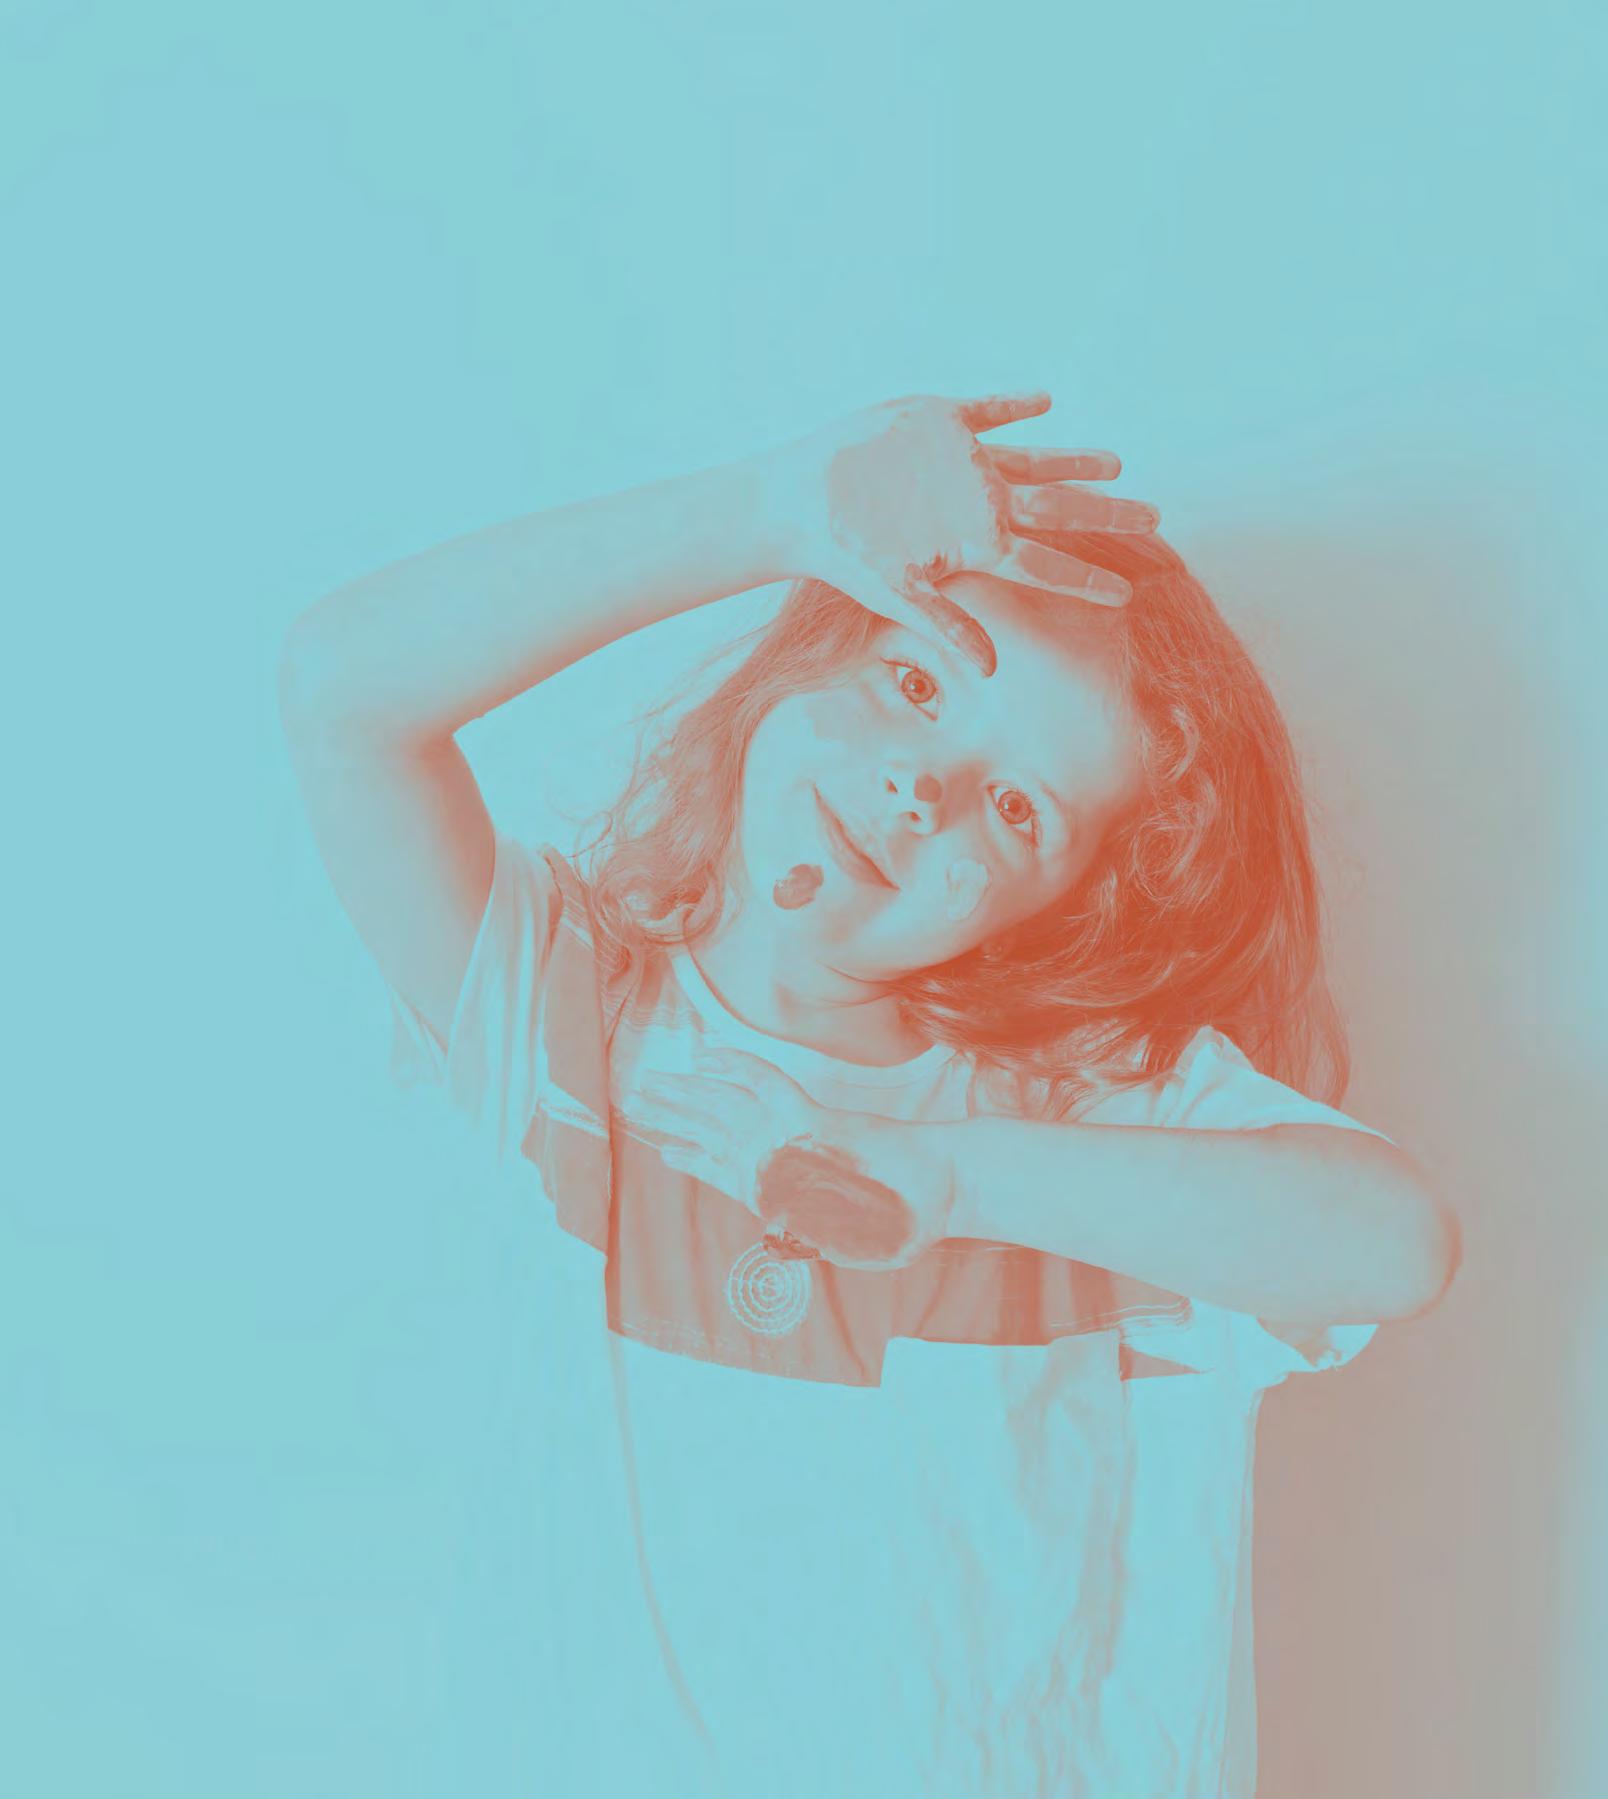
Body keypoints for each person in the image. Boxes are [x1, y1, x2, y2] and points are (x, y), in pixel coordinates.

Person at [276, 391, 1461, 1795]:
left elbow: (1396, 1245)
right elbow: (343, 693)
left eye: (1017, 809)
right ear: (812, 648)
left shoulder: (1079, 1115)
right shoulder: (572, 1023)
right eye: (916, 682)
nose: (924, 791)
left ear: (1065, 909)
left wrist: (947, 1175)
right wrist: (768, 511)